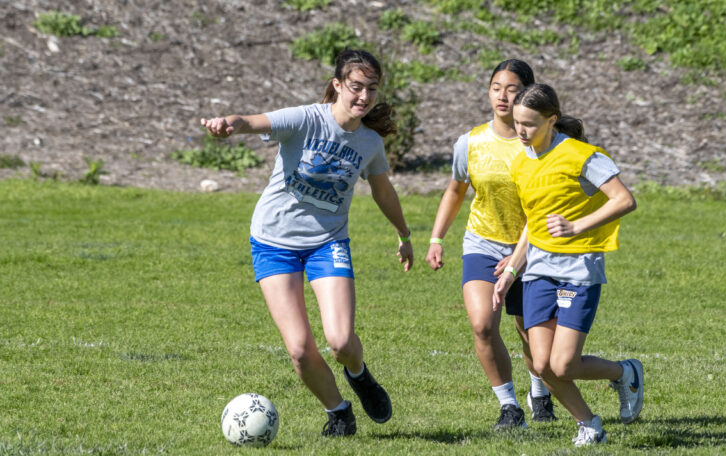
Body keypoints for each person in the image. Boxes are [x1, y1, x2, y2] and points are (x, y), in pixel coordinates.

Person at [201, 49, 414, 437]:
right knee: (300, 350)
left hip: (327, 243)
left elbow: (383, 191)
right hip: (272, 241)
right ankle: (339, 412)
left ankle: (358, 373)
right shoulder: (304, 119)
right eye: (356, 87)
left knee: (342, 341)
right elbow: (249, 120)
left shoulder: (369, 142)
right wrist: (226, 124)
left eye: (371, 88)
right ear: (337, 85)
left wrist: (404, 234)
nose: (364, 96)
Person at [492, 83, 643, 446]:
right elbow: (533, 223)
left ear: (552, 120)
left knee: (563, 365)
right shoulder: (520, 162)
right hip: (539, 273)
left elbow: (624, 200)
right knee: (540, 364)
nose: (521, 131)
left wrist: (576, 226)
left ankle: (624, 373)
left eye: (529, 124)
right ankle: (589, 425)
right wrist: (512, 270)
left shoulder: (582, 156)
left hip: (578, 271)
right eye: (516, 123)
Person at [425, 59, 556, 431]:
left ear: (527, 94)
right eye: (496, 87)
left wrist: (518, 257)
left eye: (512, 89)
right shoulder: (470, 142)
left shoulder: (541, 145)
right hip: (482, 243)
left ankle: (539, 391)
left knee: (531, 334)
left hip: (533, 248)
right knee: (483, 324)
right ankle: (509, 407)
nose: (502, 96)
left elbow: (546, 206)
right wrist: (436, 238)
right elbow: (455, 190)